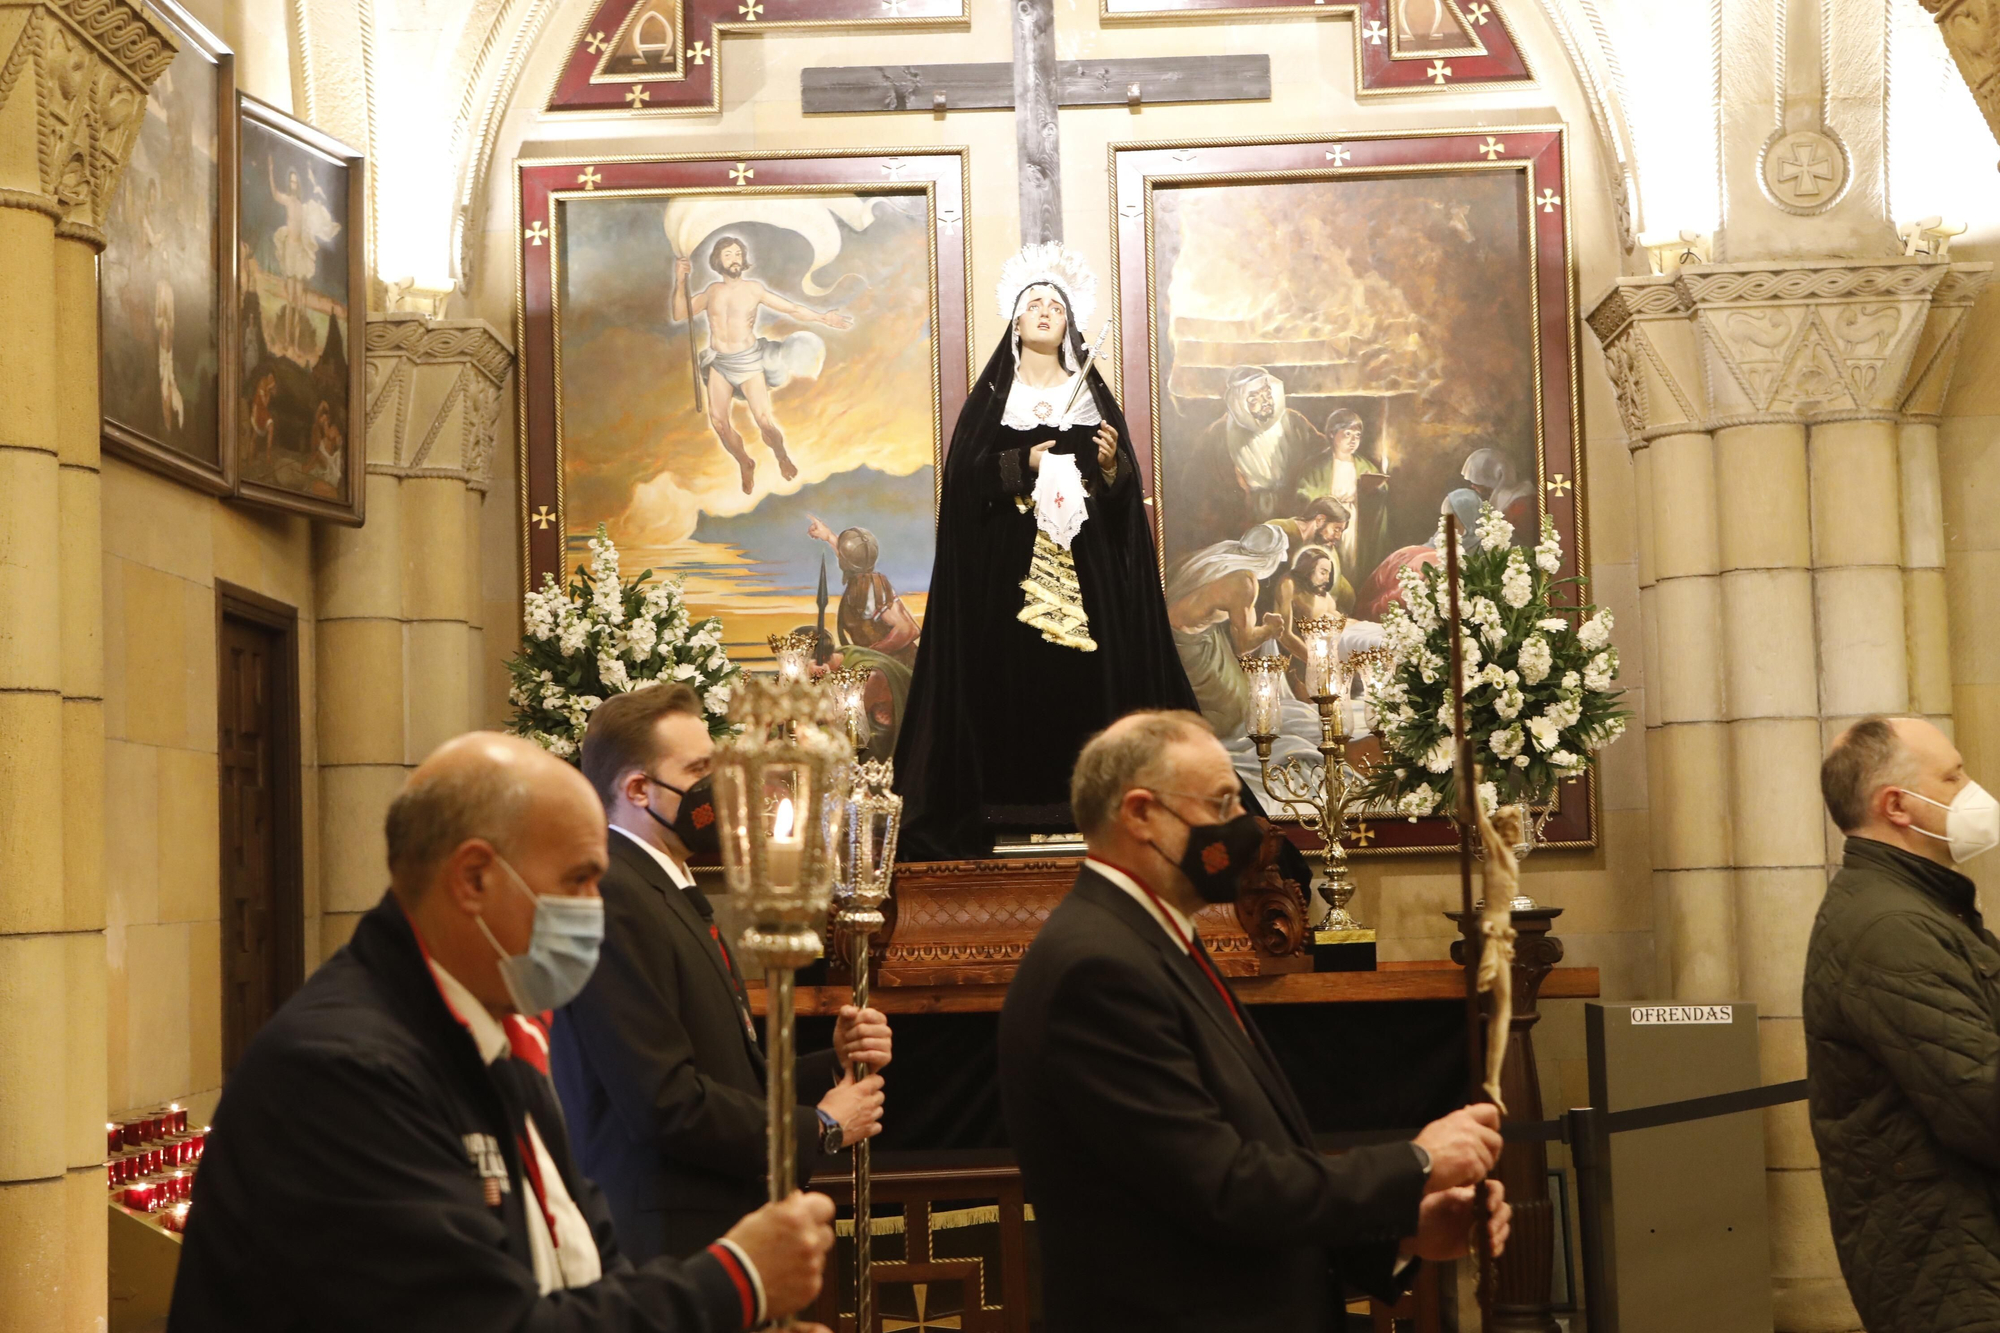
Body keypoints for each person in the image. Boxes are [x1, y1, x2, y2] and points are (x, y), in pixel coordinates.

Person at [169, 732, 837, 1332]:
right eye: (578, 880)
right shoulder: (341, 1069)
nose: (595, 913)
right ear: (474, 878)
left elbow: (587, 1273)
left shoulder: (493, 1034)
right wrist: (737, 1279)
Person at [999, 711, 1510, 1330]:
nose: (1244, 829)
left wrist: (1403, 1235)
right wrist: (1418, 1164)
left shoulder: (1154, 943)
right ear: (1140, 814)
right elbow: (1224, 1189)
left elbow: (1241, 1179)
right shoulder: (1099, 969)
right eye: (1221, 804)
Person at [555, 684, 892, 1263]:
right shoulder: (613, 894)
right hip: (667, 1246)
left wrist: (828, 1062)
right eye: (699, 770)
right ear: (638, 789)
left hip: (711, 1228)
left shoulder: (664, 886)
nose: (719, 788)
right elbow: (665, 1102)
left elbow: (727, 1074)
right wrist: (818, 1128)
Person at [893, 241, 1199, 858]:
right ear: (1013, 322)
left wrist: (1113, 471)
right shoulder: (990, 401)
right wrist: (1019, 460)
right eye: (1030, 301)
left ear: (1070, 323)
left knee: (1088, 685)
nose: (1042, 309)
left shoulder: (1091, 398)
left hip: (1087, 582)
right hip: (1005, 580)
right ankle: (1005, 808)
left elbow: (1123, 501)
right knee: (1009, 686)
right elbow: (964, 484)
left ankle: (1094, 807)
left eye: (1053, 303)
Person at [1805, 715, 2000, 1333]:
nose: (1973, 790)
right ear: (1898, 806)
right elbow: (1982, 1105)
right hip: (1952, 1263)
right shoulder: (1890, 929)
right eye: (1953, 776)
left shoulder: (1921, 907)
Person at [672, 235, 854, 495]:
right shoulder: (712, 292)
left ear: (743, 259)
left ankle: (781, 456)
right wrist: (680, 280)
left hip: (749, 361)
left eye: (737, 254)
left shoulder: (753, 289)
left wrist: (823, 318)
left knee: (765, 422)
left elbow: (791, 308)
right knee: (719, 423)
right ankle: (745, 463)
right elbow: (680, 313)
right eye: (728, 255)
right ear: (718, 261)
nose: (734, 259)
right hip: (721, 363)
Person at [1185, 366, 1326, 548]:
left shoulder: (1295, 422)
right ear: (1239, 402)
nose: (1265, 401)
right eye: (1254, 399)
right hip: (1242, 522)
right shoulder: (1218, 435)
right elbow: (1196, 487)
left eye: (1267, 394)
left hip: (1293, 511)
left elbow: (1324, 455)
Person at [805, 515, 920, 665]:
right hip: (879, 661)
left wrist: (868, 655)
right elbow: (849, 559)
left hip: (897, 664)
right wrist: (829, 536)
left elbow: (909, 629)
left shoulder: (872, 588)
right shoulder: (861, 579)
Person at [1294, 408, 1388, 577]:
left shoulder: (1364, 465)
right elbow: (1303, 492)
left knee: (1350, 563)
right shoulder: (1316, 465)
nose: (1353, 440)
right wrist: (1325, 506)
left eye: (1357, 435)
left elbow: (1380, 493)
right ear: (1332, 434)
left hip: (1353, 523)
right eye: (1347, 434)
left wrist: (1376, 489)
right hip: (1326, 523)